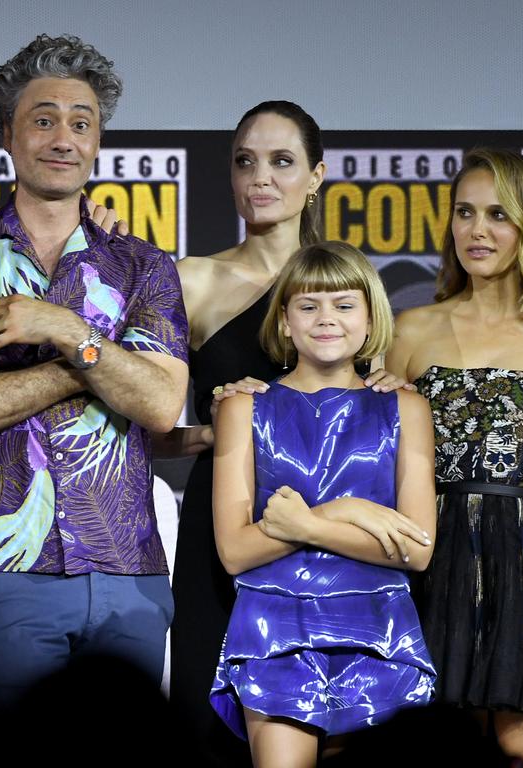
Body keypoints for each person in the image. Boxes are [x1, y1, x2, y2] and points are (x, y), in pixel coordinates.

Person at [0, 34, 189, 715]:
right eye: (43, 118)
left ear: (97, 141)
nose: (63, 137)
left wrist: (61, 329)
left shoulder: (145, 266)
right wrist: (92, 364)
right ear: (8, 133)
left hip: (128, 570)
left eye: (81, 122)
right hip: (3, 569)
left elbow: (157, 403)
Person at [159, 101, 403, 764]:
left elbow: (376, 427)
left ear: (317, 175)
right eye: (245, 161)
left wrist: (385, 388)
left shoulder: (348, 285)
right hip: (227, 533)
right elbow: (143, 430)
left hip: (335, 547)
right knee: (213, 724)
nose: (260, 177)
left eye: (281, 161)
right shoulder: (194, 280)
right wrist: (220, 437)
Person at [210, 241, 437, 767]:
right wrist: (344, 512)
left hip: (379, 627)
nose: (326, 319)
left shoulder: (406, 408)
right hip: (274, 628)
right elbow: (235, 551)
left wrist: (307, 524)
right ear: (285, 321)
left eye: (344, 304)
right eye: (308, 306)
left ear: (370, 315)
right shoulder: (244, 407)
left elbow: (417, 550)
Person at [385, 148, 523, 768]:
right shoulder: (409, 330)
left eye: (499, 214)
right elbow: (353, 437)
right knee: (432, 745)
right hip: (430, 558)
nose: (477, 230)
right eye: (465, 212)